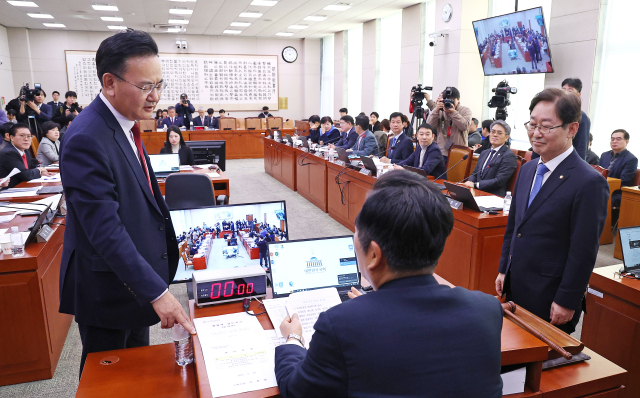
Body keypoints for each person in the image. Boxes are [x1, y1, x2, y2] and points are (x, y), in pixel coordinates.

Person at [276, 170, 503, 397]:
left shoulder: (340, 325)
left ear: (374, 254)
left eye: (355, 232)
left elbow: (296, 390)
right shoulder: (487, 309)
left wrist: (293, 338)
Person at [58, 29, 196, 377]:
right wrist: (156, 292)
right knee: (107, 380)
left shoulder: (125, 123)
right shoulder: (87, 137)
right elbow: (104, 230)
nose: (155, 97)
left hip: (137, 283)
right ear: (110, 83)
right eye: (146, 86)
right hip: (106, 288)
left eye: (159, 85)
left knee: (136, 374)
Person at [496, 88, 609, 334]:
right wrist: (504, 268)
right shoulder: (527, 169)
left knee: (543, 367)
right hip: (517, 283)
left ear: (572, 129)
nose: (536, 133)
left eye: (546, 126)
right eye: (532, 124)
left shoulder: (588, 181)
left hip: (550, 294)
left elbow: (584, 249)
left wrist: (567, 299)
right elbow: (514, 227)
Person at [464, 120, 517, 197]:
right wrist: (469, 184)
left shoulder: (508, 156)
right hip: (477, 193)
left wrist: (475, 185)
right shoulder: (484, 153)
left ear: (506, 137)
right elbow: (475, 173)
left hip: (493, 196)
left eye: (499, 133)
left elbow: (499, 181)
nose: (495, 135)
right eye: (493, 132)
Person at [426, 87, 472, 163]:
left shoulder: (465, 110)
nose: (449, 102)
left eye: (452, 100)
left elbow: (464, 126)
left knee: (455, 174)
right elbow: (430, 126)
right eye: (447, 100)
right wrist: (436, 110)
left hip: (458, 151)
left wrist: (453, 112)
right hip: (442, 151)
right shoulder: (440, 110)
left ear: (458, 99)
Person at [0, 123, 52, 187]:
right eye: (22, 135)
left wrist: (40, 173)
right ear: (12, 138)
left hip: (24, 187)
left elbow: (29, 168)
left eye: (29, 136)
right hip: (10, 191)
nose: (26, 139)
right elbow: (27, 175)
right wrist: (39, 170)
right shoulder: (8, 153)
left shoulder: (25, 149)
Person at [599, 129, 638, 207]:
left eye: (618, 139)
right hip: (600, 188)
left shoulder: (631, 159)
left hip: (616, 193)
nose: (614, 141)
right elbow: (597, 172)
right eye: (612, 139)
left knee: (597, 199)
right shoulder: (604, 155)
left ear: (627, 142)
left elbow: (624, 181)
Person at [561, 78, 589, 160]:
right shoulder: (555, 111)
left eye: (570, 90)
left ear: (578, 94)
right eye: (563, 89)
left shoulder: (581, 116)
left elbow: (581, 147)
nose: (565, 93)